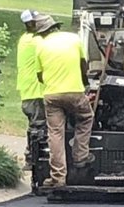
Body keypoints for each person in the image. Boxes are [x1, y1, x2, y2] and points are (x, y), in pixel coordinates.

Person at [34, 21, 95, 187]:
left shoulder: (40, 46)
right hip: (75, 92)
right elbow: (84, 66)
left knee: (55, 133)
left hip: (52, 95)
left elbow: (40, 76)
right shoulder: (74, 39)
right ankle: (81, 156)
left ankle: (58, 177)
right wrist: (84, 83)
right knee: (85, 118)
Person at [17, 10, 47, 168]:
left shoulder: (24, 39)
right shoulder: (36, 41)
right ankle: (34, 160)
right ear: (31, 23)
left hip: (27, 90)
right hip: (37, 90)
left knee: (34, 125)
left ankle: (31, 156)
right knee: (39, 126)